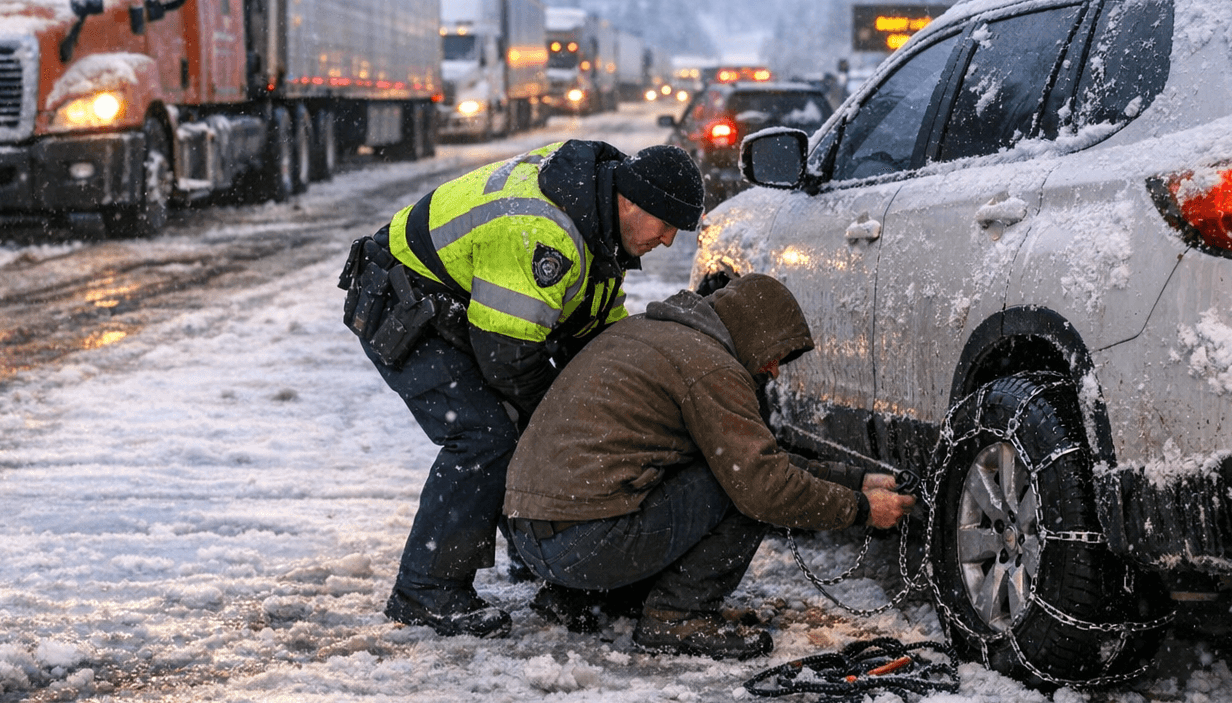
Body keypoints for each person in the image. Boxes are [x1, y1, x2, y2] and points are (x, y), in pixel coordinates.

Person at [340, 140, 705, 638]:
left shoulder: (593, 213)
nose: (667, 241)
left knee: (530, 422)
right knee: (486, 436)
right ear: (631, 202)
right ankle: (426, 590)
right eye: (665, 226)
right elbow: (508, 362)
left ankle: (539, 559)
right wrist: (561, 426)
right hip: (404, 302)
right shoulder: (544, 233)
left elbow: (592, 329)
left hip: (462, 308)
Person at [503, 273, 915, 660]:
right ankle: (676, 618)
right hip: (586, 542)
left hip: (533, 537)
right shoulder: (712, 368)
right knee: (745, 490)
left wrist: (858, 480)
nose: (772, 370)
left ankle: (582, 598)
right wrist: (861, 509)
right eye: (775, 356)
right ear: (753, 333)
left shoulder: (654, 332)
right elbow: (762, 483)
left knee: (725, 470)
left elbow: (751, 457)